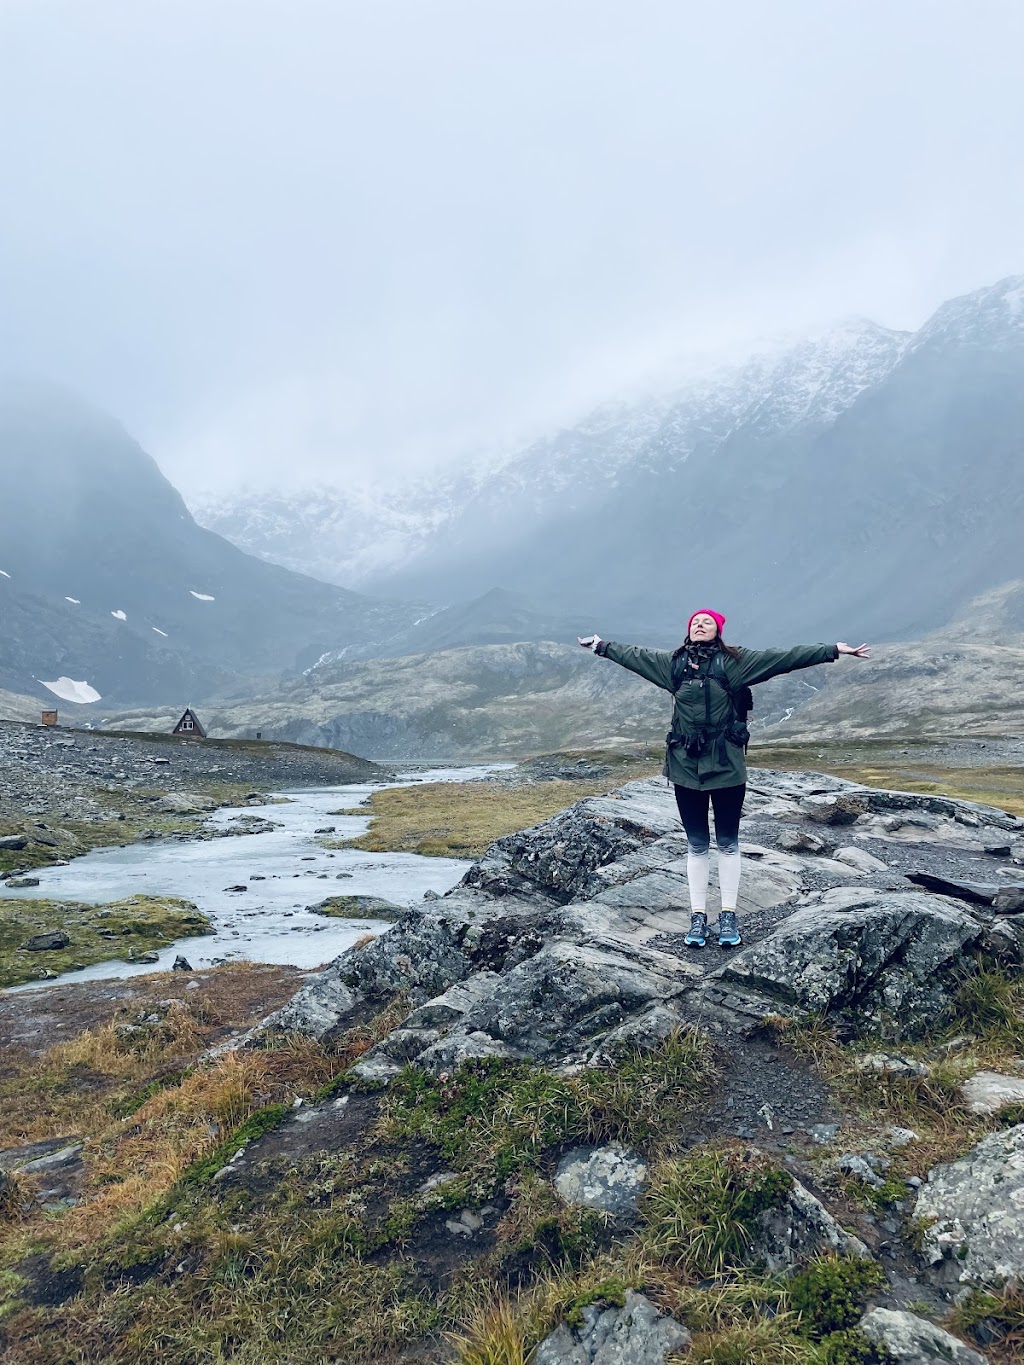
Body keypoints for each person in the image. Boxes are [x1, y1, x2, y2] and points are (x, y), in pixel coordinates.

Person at [579, 611, 869, 948]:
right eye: (694, 622)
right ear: (688, 631)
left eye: (707, 622)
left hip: (727, 765)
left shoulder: (736, 663)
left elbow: (783, 659)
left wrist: (832, 649)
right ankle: (698, 917)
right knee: (697, 844)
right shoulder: (673, 665)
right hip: (685, 766)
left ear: (718, 630)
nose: (699, 625)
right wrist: (601, 646)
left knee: (728, 844)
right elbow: (635, 657)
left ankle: (728, 915)